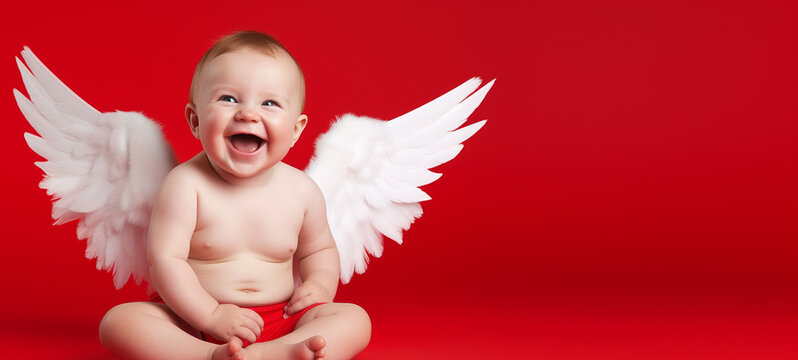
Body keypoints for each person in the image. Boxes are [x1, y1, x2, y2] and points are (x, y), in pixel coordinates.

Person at [98, 31, 372, 360]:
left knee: (355, 319)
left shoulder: (302, 191)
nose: (247, 114)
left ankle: (274, 353)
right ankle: (206, 355)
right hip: (193, 316)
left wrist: (320, 286)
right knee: (119, 322)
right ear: (195, 121)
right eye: (228, 99)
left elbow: (320, 249)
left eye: (269, 103)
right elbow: (165, 261)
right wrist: (212, 315)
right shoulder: (185, 185)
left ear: (296, 130)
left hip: (282, 318)